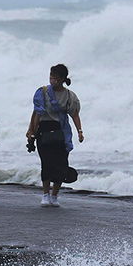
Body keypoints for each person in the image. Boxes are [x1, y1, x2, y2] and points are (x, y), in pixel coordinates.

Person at [25, 63, 83, 207]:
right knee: (46, 163)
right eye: (51, 77)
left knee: (61, 163)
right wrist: (31, 130)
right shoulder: (42, 92)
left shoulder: (69, 96)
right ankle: (45, 195)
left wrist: (80, 132)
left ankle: (55, 196)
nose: (52, 80)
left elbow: (74, 115)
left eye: (56, 78)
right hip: (44, 130)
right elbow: (37, 113)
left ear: (63, 79)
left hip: (61, 131)